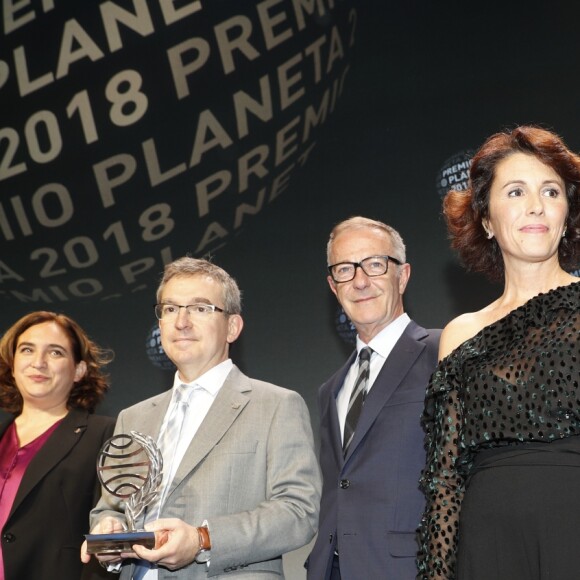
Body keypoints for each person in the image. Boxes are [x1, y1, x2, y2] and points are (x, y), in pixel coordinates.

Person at [82, 257, 321, 579]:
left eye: (199, 308)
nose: (181, 321)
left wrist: (202, 540)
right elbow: (110, 507)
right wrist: (109, 528)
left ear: (232, 327)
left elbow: (298, 511)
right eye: (170, 309)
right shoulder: (132, 418)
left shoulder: (276, 405)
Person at [417, 125, 580, 579]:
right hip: (486, 546)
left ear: (567, 214)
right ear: (486, 220)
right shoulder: (460, 333)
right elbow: (444, 480)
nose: (536, 205)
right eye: (515, 191)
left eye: (551, 191)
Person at [306, 217, 441, 580]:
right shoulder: (330, 389)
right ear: (333, 287)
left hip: (410, 568)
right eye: (345, 270)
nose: (360, 281)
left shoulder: (443, 352)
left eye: (375, 264)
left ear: (403, 275)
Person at [0, 311, 115, 580]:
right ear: (12, 363)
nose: (38, 363)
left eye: (55, 353)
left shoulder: (103, 434)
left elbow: (109, 534)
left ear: (79, 370)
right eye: (27, 350)